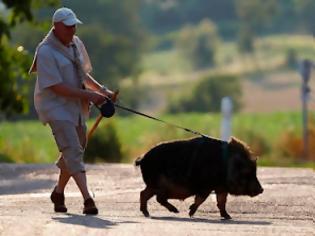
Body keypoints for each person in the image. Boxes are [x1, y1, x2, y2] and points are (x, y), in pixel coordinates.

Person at [29, 7, 115, 215]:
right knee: (73, 151)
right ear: (56, 26)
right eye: (68, 26)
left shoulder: (75, 44)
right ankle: (88, 199)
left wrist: (101, 91)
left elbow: (82, 75)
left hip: (75, 106)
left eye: (74, 25)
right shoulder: (46, 51)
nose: (72, 29)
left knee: (75, 149)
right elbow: (56, 87)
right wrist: (91, 96)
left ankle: (58, 192)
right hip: (55, 108)